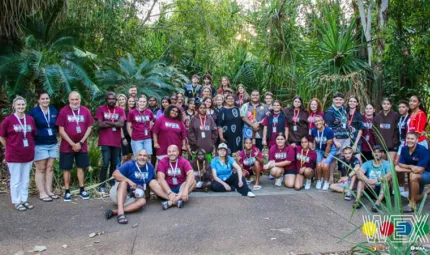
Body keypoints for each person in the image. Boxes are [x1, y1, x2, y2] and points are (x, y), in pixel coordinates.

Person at [106, 149, 168, 224]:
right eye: (140, 155)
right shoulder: (130, 164)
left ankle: (114, 212)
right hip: (119, 192)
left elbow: (149, 183)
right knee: (124, 182)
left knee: (143, 201)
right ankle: (120, 214)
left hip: (133, 196)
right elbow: (115, 174)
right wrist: (129, 181)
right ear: (136, 157)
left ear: (147, 158)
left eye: (144, 155)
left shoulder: (150, 167)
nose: (142, 157)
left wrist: (148, 196)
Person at [0, 96, 36, 211]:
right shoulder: (8, 120)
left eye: (23, 105)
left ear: (26, 106)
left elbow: (32, 134)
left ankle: (24, 199)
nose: (21, 107)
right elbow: (1, 136)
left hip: (28, 154)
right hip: (14, 155)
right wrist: (9, 147)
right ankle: (16, 201)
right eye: (18, 105)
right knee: (16, 179)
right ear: (14, 106)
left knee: (25, 179)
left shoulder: (30, 119)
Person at [56, 91, 94, 202]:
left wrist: (80, 143)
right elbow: (61, 130)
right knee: (66, 168)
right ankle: (67, 191)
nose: (74, 101)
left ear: (80, 99)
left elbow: (90, 127)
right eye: (72, 99)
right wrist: (72, 144)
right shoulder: (63, 111)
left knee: (80, 167)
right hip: (67, 146)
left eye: (76, 99)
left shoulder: (85, 111)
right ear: (69, 100)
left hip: (82, 145)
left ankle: (82, 189)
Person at [28, 92, 59, 201]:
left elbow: (57, 126)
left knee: (50, 168)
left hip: (52, 143)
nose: (45, 100)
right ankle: (42, 192)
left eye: (47, 98)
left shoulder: (54, 110)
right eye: (43, 98)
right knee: (41, 168)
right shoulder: (33, 112)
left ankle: (49, 191)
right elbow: (29, 127)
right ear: (38, 100)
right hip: (39, 143)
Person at [95, 92, 126, 194]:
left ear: (115, 100)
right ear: (106, 100)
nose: (111, 100)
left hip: (116, 141)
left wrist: (107, 122)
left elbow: (121, 123)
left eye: (113, 99)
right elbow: (100, 124)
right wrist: (114, 123)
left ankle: (112, 183)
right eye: (109, 99)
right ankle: (102, 185)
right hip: (105, 141)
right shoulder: (101, 109)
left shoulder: (120, 110)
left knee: (113, 163)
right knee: (105, 163)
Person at [396, 132, 430, 212]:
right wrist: (411, 167)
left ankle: (412, 204)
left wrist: (404, 169)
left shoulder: (422, 150)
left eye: (412, 139)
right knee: (416, 196)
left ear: (417, 140)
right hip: (415, 174)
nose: (410, 140)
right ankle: (426, 193)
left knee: (413, 175)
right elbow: (399, 164)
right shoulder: (404, 149)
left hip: (427, 174)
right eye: (408, 138)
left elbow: (420, 170)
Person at [157, 145, 196, 209]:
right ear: (167, 153)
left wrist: (185, 190)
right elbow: (160, 178)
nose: (171, 153)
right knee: (152, 183)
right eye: (169, 152)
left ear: (178, 152)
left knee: (193, 181)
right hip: (166, 189)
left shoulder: (183, 161)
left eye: (173, 151)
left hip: (180, 188)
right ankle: (178, 199)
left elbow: (191, 173)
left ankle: (171, 202)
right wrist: (169, 192)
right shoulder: (162, 161)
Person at [355, 145, 392, 211]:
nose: (376, 153)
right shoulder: (367, 163)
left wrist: (376, 180)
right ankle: (357, 201)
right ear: (372, 153)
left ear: (383, 153)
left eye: (379, 152)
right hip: (370, 188)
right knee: (361, 181)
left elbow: (390, 175)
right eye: (374, 152)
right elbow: (359, 173)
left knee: (386, 182)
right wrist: (367, 180)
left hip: (382, 191)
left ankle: (377, 204)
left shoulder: (387, 164)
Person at [324, 92, 349, 183]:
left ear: (343, 101)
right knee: (334, 158)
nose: (338, 101)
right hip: (336, 138)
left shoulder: (344, 109)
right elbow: (328, 128)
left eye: (340, 99)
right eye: (336, 99)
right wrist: (335, 141)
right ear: (333, 100)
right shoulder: (330, 111)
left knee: (343, 158)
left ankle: (340, 178)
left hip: (345, 137)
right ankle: (331, 178)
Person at [311, 116, 336, 190]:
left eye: (319, 121)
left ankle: (326, 181)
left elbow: (329, 145)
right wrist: (314, 146)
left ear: (323, 121)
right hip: (319, 150)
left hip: (330, 150)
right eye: (315, 121)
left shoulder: (329, 131)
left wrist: (324, 158)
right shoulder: (314, 130)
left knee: (325, 166)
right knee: (318, 166)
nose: (317, 123)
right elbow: (315, 139)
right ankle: (319, 180)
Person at [346, 96, 364, 162]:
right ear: (348, 102)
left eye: (354, 101)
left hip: (355, 141)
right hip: (346, 140)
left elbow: (360, 130)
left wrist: (355, 144)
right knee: (345, 159)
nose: (352, 103)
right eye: (351, 101)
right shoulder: (345, 114)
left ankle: (362, 172)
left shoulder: (359, 115)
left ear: (357, 103)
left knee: (358, 158)